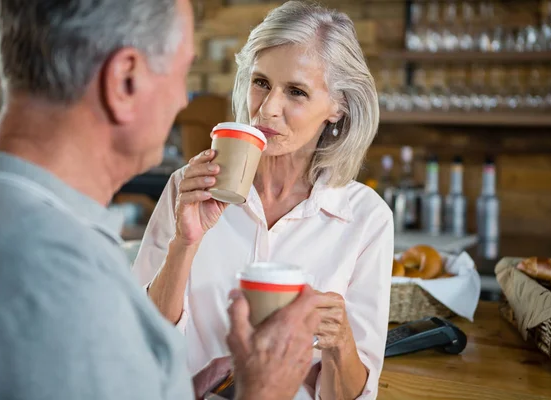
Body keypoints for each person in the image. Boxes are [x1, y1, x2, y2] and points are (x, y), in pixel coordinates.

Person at [0, 1, 320, 399]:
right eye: (182, 73)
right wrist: (263, 392)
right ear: (125, 80)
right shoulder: (58, 274)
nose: (183, 101)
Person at [134, 1, 394, 399]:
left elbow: (355, 395)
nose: (268, 108)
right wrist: (184, 244)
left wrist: (341, 341)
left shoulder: (365, 218)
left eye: (296, 91)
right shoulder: (188, 189)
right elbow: (139, 340)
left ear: (337, 108)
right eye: (261, 82)